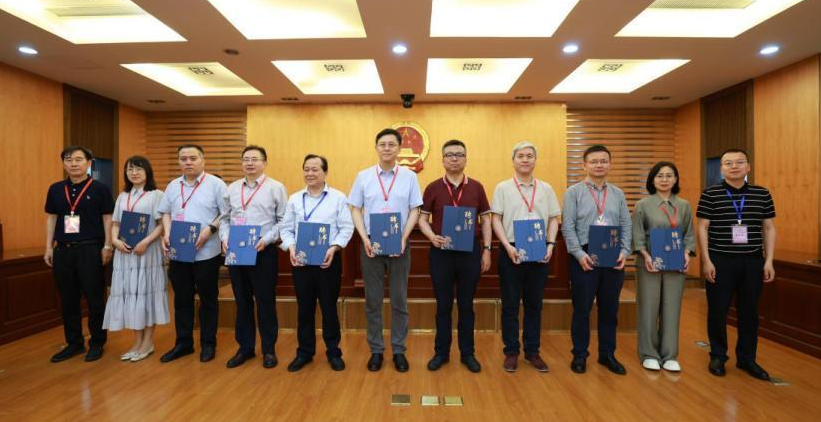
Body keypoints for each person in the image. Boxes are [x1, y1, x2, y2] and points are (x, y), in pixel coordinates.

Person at [697, 148, 776, 381]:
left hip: (753, 261)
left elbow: (769, 227)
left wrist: (769, 260)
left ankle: (747, 359)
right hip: (720, 260)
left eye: (739, 162)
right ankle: (718, 355)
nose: (734, 166)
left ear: (748, 167)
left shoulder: (762, 194)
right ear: (722, 168)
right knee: (718, 310)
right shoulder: (710, 194)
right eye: (728, 163)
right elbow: (702, 227)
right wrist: (706, 261)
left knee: (749, 312)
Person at [349, 128, 423, 372]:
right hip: (371, 244)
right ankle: (376, 350)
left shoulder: (409, 177)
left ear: (399, 148)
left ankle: (399, 350)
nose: (387, 148)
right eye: (382, 144)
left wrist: (403, 238)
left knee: (399, 299)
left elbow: (415, 209)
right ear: (376, 147)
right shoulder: (363, 176)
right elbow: (355, 209)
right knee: (373, 300)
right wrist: (364, 238)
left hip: (399, 243)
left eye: (392, 144)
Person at [418, 140, 492, 373]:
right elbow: (422, 219)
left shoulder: (477, 187)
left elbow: (486, 220)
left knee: (467, 305)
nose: (454, 158)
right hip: (441, 252)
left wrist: (487, 250)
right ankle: (441, 353)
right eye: (449, 155)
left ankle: (468, 353)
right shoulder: (433, 187)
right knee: (443, 305)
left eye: (459, 154)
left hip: (470, 252)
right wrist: (432, 237)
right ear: (442, 160)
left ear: (466, 159)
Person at [490, 141, 561, 373]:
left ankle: (532, 351)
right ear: (513, 160)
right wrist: (507, 247)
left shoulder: (546, 189)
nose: (525, 159)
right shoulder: (503, 188)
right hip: (511, 249)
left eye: (530, 155)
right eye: (520, 156)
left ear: (535, 160)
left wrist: (550, 245)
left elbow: (554, 219)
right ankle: (511, 351)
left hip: (539, 250)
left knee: (534, 305)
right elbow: (495, 219)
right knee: (510, 304)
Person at [562, 144, 632, 375]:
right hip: (584, 255)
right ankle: (580, 355)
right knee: (582, 309)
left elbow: (626, 224)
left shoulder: (618, 193)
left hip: (613, 254)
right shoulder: (573, 192)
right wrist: (578, 254)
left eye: (603, 161)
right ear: (584, 165)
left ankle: (607, 354)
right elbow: (568, 226)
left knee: (609, 309)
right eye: (594, 161)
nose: (599, 165)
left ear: (610, 164)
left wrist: (625, 251)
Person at [280, 154, 354, 372]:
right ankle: (304, 352)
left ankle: (333, 352)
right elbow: (286, 229)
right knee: (304, 309)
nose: (310, 173)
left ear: (325, 172)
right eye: (306, 169)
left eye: (315, 169)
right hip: (301, 262)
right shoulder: (294, 199)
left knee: (329, 308)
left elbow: (346, 228)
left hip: (327, 261)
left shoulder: (338, 198)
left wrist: (334, 247)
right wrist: (291, 248)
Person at [44, 145, 115, 362]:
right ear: (63, 163)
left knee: (95, 299)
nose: (73, 164)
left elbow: (107, 219)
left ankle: (97, 342)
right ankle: (74, 343)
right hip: (63, 250)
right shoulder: (56, 189)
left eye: (78, 159)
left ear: (88, 163)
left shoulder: (100, 189)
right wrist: (48, 246)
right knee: (68, 300)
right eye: (68, 160)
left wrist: (108, 246)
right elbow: (52, 218)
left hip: (90, 249)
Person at [219, 145, 287, 369]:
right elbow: (225, 218)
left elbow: (283, 221)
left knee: (265, 301)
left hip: (263, 250)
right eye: (246, 159)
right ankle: (245, 348)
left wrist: (266, 240)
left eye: (255, 159)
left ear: (264, 162)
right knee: (242, 301)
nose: (250, 163)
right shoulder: (232, 188)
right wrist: (225, 238)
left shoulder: (276, 188)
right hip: (237, 250)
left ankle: (269, 350)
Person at [158, 144, 228, 363]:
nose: (188, 162)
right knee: (181, 299)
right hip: (179, 252)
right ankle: (183, 343)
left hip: (206, 252)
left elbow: (227, 213)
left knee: (208, 300)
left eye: (193, 158)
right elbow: (165, 212)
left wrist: (210, 229)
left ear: (203, 160)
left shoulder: (216, 185)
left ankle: (208, 343)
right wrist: (167, 232)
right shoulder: (173, 185)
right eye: (183, 158)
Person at [103, 156, 169, 362]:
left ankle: (148, 342)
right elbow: (115, 223)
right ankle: (137, 342)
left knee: (146, 293)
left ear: (147, 172)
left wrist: (146, 242)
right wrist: (115, 241)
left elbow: (161, 224)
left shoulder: (157, 195)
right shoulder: (123, 196)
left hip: (147, 253)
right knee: (131, 294)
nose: (134, 173)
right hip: (125, 254)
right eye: (130, 169)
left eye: (139, 169)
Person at [632, 161, 695, 372]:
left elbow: (689, 234)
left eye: (669, 175)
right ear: (652, 180)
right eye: (660, 176)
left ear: (676, 179)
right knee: (648, 307)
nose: (664, 179)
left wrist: (687, 254)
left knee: (672, 307)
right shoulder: (643, 205)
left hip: (676, 263)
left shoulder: (684, 205)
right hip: (649, 262)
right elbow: (637, 234)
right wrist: (645, 254)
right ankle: (649, 353)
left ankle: (669, 354)